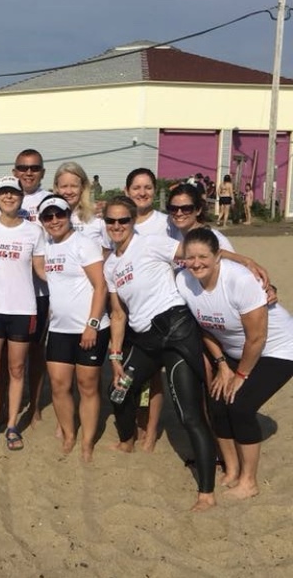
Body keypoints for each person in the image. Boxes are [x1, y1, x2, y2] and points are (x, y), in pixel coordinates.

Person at [102, 194, 218, 512]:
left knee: (188, 413)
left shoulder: (152, 243)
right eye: (110, 220)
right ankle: (127, 442)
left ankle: (206, 492)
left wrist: (244, 262)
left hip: (176, 330)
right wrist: (114, 357)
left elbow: (196, 256)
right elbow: (118, 315)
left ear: (132, 220)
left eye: (122, 220)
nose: (116, 226)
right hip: (146, 340)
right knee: (118, 392)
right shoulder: (111, 265)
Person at [176, 228, 293, 499]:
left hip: (277, 348)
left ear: (218, 256)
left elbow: (257, 337)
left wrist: (240, 375)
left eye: (203, 256)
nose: (196, 263)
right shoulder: (184, 281)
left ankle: (248, 481)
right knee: (216, 400)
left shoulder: (239, 280)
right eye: (189, 258)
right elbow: (204, 328)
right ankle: (231, 469)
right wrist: (222, 365)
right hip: (232, 351)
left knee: (240, 405)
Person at [0, 175, 46, 451]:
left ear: (21, 197)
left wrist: (75, 279)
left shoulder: (33, 232)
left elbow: (41, 270)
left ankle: (12, 424)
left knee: (16, 370)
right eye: (3, 192)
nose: (9, 197)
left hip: (23, 309)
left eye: (13, 193)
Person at [38, 194, 109, 461]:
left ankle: (87, 441)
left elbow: (100, 286)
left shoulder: (84, 244)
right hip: (59, 329)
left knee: (87, 384)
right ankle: (69, 434)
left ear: (69, 215)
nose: (54, 220)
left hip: (89, 328)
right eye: (48, 216)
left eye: (59, 214)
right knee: (58, 385)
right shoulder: (47, 246)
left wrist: (91, 324)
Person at [0, 148, 51, 427]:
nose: (28, 172)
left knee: (31, 358)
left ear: (42, 171)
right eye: (23, 168)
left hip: (33, 298)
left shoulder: (47, 204)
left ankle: (33, 407)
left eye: (34, 167)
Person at [123, 167, 169, 451]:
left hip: (159, 312)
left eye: (148, 187)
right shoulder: (120, 221)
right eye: (137, 187)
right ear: (128, 191)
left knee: (154, 375)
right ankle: (135, 421)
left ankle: (150, 430)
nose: (142, 192)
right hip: (128, 311)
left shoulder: (165, 223)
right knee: (131, 372)